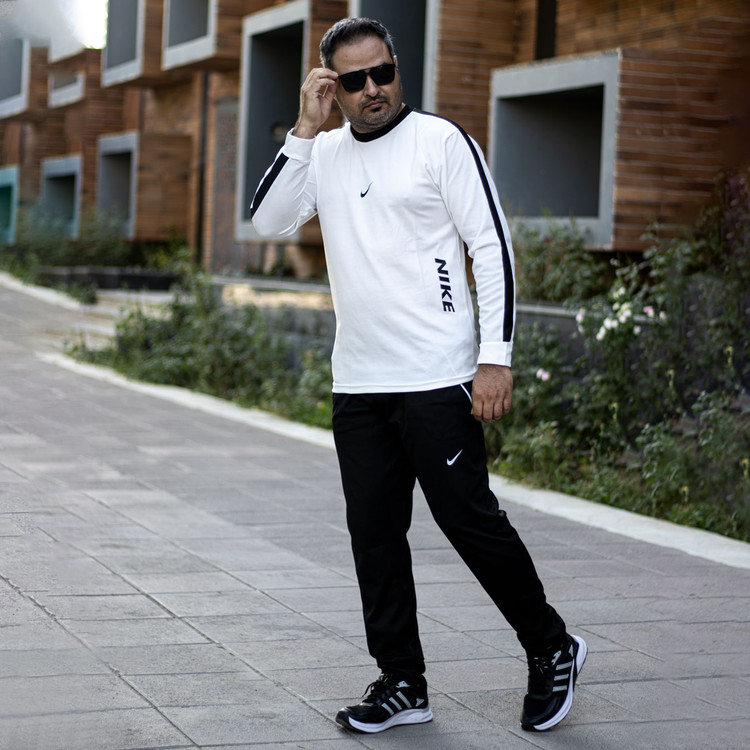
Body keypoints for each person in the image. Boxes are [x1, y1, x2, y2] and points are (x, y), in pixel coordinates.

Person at [251, 16, 586, 735]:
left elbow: (491, 247)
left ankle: (550, 645)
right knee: (374, 537)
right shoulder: (324, 153)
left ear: (397, 68)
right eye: (354, 80)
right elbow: (267, 222)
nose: (373, 88)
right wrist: (305, 129)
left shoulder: (441, 142)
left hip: (438, 376)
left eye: (384, 72)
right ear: (332, 87)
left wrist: (495, 357)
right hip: (359, 384)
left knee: (469, 521)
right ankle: (402, 681)